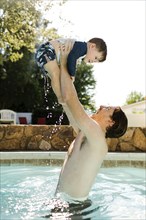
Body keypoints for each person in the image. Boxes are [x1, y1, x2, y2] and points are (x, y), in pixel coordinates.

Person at [53, 42, 128, 202]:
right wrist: (56, 69)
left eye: (107, 108)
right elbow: (65, 101)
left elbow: (70, 98)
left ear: (110, 122)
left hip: (74, 210)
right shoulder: (87, 133)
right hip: (66, 205)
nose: (101, 106)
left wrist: (66, 61)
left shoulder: (97, 138)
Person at [35, 37, 107, 104]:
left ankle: (61, 96)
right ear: (92, 46)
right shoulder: (82, 47)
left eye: (96, 61)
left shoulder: (80, 49)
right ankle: (60, 98)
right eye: (95, 57)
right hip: (46, 50)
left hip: (47, 53)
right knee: (55, 74)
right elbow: (71, 58)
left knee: (58, 77)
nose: (93, 61)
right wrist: (72, 74)